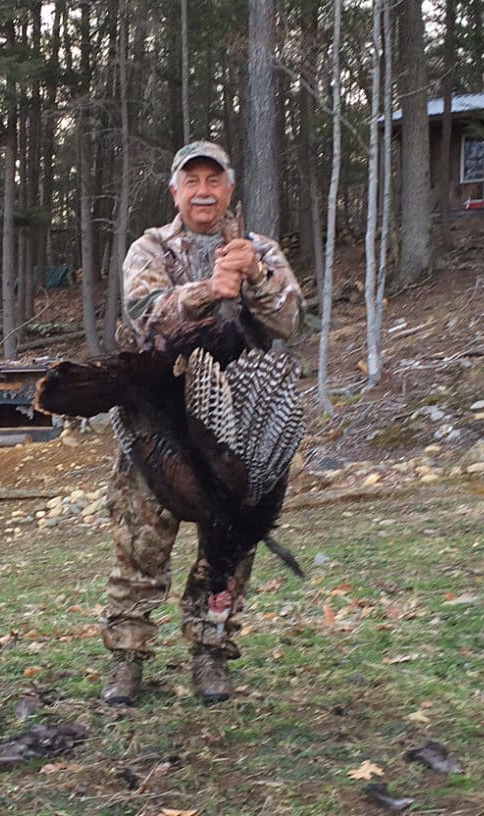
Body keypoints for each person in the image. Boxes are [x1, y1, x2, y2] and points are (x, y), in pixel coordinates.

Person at [101, 141, 304, 706]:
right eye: (192, 181)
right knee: (141, 543)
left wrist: (255, 276)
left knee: (230, 546)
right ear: (175, 191)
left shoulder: (258, 248)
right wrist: (208, 291)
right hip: (161, 420)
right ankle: (126, 658)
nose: (203, 191)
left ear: (229, 189)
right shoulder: (151, 247)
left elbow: (292, 320)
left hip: (242, 426)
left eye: (214, 180)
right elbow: (142, 318)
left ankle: (210, 651)